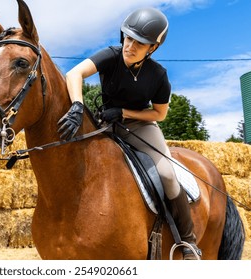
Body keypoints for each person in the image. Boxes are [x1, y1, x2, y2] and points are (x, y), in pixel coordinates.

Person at [57, 7, 202, 260]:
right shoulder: (111, 55)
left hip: (140, 126)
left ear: (152, 48)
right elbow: (74, 73)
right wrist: (78, 106)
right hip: (105, 125)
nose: (130, 45)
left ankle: (188, 243)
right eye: (128, 37)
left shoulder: (158, 76)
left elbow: (159, 115)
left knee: (167, 174)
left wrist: (125, 113)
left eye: (139, 43)